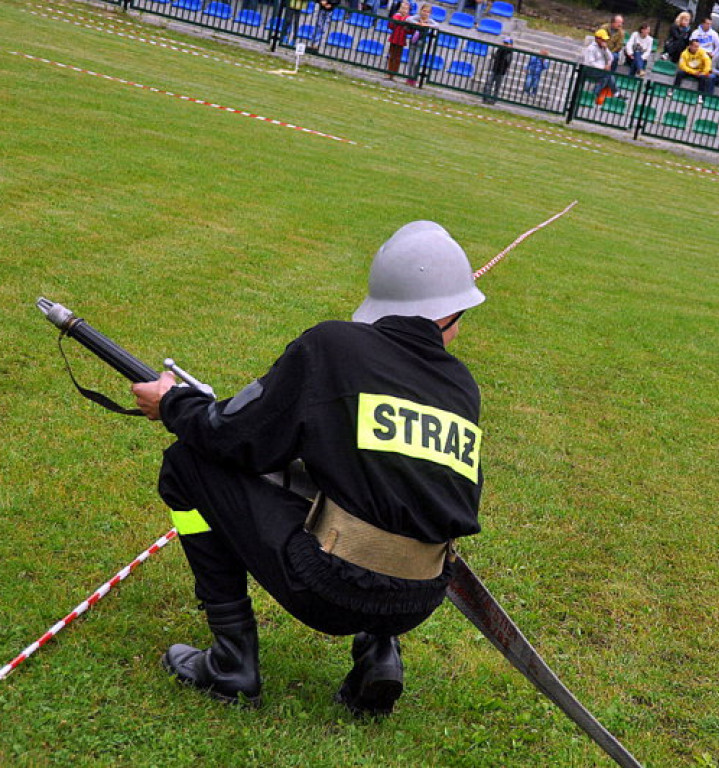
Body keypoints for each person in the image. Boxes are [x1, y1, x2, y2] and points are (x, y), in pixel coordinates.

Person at [129, 221, 489, 713]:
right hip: (421, 599)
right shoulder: (462, 386)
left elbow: (234, 438)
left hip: (330, 586)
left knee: (188, 461)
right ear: (450, 315)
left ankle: (231, 662)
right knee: (377, 483)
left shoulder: (333, 346)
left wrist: (173, 405)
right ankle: (378, 655)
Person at [405, 2, 437, 86]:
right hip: (413, 41)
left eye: (427, 12)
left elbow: (436, 25)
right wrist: (417, 23)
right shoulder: (417, 17)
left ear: (430, 13)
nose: (425, 13)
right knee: (411, 60)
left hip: (421, 43)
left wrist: (426, 25)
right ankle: (409, 78)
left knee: (416, 62)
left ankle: (414, 77)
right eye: (424, 11)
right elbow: (408, 19)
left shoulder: (429, 20)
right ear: (421, 10)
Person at [581, 29, 616, 100]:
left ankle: (595, 93)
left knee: (606, 77)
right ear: (597, 39)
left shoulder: (603, 47)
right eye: (603, 39)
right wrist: (603, 67)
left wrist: (606, 49)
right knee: (607, 75)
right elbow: (590, 63)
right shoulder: (591, 48)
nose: (605, 41)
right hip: (589, 69)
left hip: (599, 70)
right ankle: (616, 92)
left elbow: (611, 58)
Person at [482, 37, 513, 104]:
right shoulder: (500, 49)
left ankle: (493, 100)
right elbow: (496, 56)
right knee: (489, 84)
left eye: (506, 43)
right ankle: (486, 98)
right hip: (495, 69)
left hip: (501, 72)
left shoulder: (509, 52)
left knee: (497, 87)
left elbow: (507, 61)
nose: (504, 44)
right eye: (504, 43)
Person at [384, 0, 410, 81]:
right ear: (399, 9)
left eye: (406, 9)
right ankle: (389, 72)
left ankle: (394, 73)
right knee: (391, 56)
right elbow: (391, 25)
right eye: (402, 8)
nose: (404, 10)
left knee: (398, 58)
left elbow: (409, 30)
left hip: (401, 40)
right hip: (394, 38)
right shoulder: (396, 16)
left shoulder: (409, 19)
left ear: (408, 10)